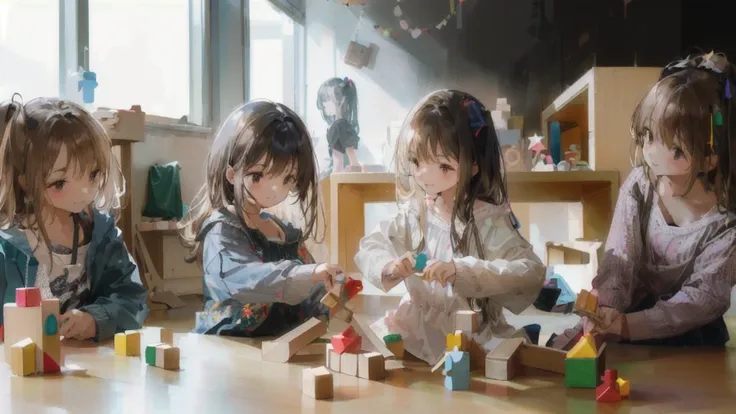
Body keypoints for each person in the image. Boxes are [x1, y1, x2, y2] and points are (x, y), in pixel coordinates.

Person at [551, 51, 736, 349]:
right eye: (648, 136)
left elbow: (702, 300)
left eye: (673, 147)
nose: (650, 152)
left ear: (709, 157)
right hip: (629, 311)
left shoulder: (725, 225)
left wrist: (626, 326)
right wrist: (608, 308)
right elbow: (619, 260)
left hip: (691, 333)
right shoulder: (641, 184)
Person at [354, 90, 546, 364]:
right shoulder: (417, 213)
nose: (424, 175)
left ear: (475, 164)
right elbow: (371, 245)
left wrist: (462, 270)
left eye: (443, 166)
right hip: (414, 329)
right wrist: (391, 265)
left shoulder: (487, 220)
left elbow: (530, 272)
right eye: (417, 162)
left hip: (470, 331)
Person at [179, 99, 342, 337]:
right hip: (228, 348)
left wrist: (331, 290)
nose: (273, 190)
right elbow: (244, 280)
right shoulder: (221, 230)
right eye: (258, 176)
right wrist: (306, 275)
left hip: (280, 347)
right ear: (232, 174)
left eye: (287, 179)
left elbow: (310, 290)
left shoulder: (283, 232)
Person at [0, 95, 148, 341]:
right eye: (59, 183)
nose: (85, 192)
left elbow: (131, 296)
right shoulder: (8, 244)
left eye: (93, 174)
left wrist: (95, 319)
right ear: (25, 180)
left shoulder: (101, 232)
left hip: (85, 364)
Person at [316, 77, 361, 172]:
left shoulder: (338, 128)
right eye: (323, 100)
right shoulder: (335, 130)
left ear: (343, 100)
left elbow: (338, 165)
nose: (324, 104)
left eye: (327, 99)